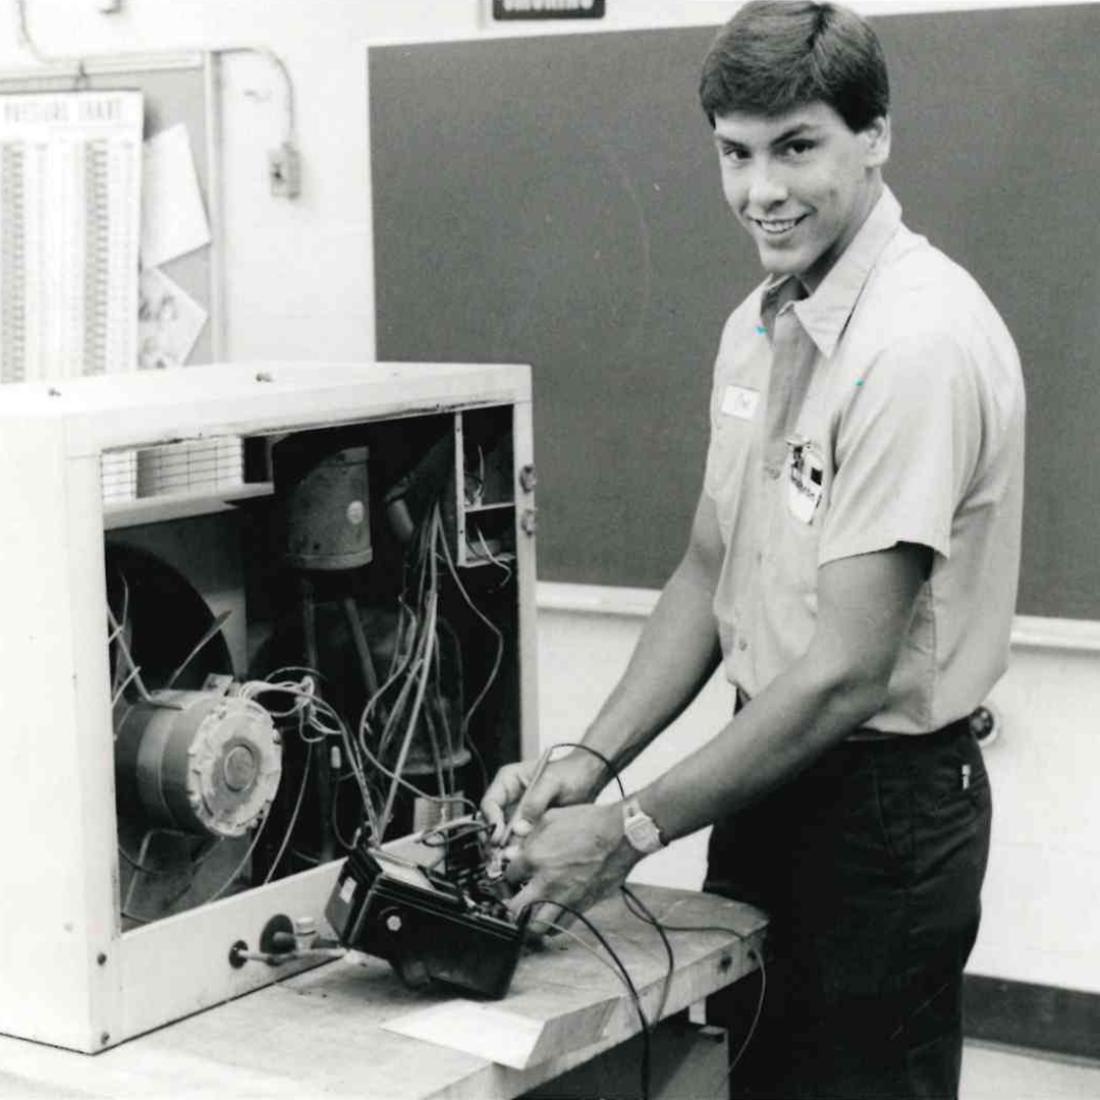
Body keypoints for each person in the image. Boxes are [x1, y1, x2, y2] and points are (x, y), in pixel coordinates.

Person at [480, 2, 1024, 1096]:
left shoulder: (911, 343)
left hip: (880, 805)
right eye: (734, 153)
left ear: (873, 136)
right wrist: (585, 767)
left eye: (795, 147)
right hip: (765, 773)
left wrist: (622, 831)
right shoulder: (760, 322)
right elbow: (705, 569)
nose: (760, 192)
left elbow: (844, 669)